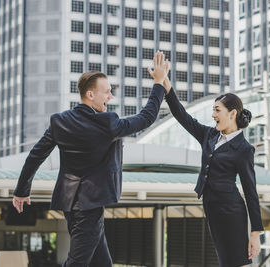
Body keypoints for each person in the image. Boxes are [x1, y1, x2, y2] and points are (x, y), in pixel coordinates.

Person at [12, 52, 170, 267]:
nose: (110, 97)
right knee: (78, 262)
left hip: (71, 203)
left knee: (102, 262)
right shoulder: (108, 124)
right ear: (90, 94)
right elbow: (146, 117)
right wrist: (159, 82)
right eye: (106, 92)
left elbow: (35, 156)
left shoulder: (60, 121)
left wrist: (22, 191)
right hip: (91, 205)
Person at [160, 76, 263, 267]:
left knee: (236, 262)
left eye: (217, 110)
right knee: (225, 260)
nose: (213, 115)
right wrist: (167, 87)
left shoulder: (244, 149)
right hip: (213, 208)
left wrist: (255, 233)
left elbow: (251, 191)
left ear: (232, 114)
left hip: (231, 211)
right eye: (213, 110)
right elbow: (183, 116)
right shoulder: (209, 135)